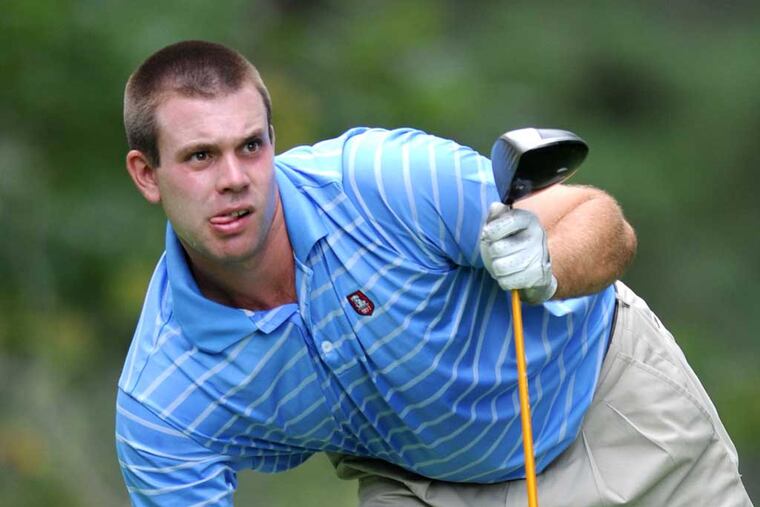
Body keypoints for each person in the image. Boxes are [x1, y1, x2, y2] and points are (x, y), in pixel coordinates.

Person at [115, 40, 751, 506]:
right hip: (427, 487)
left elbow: (600, 219)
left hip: (608, 407)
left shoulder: (380, 178)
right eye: (200, 156)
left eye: (250, 146)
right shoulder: (162, 403)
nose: (233, 179)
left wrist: (547, 264)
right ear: (147, 173)